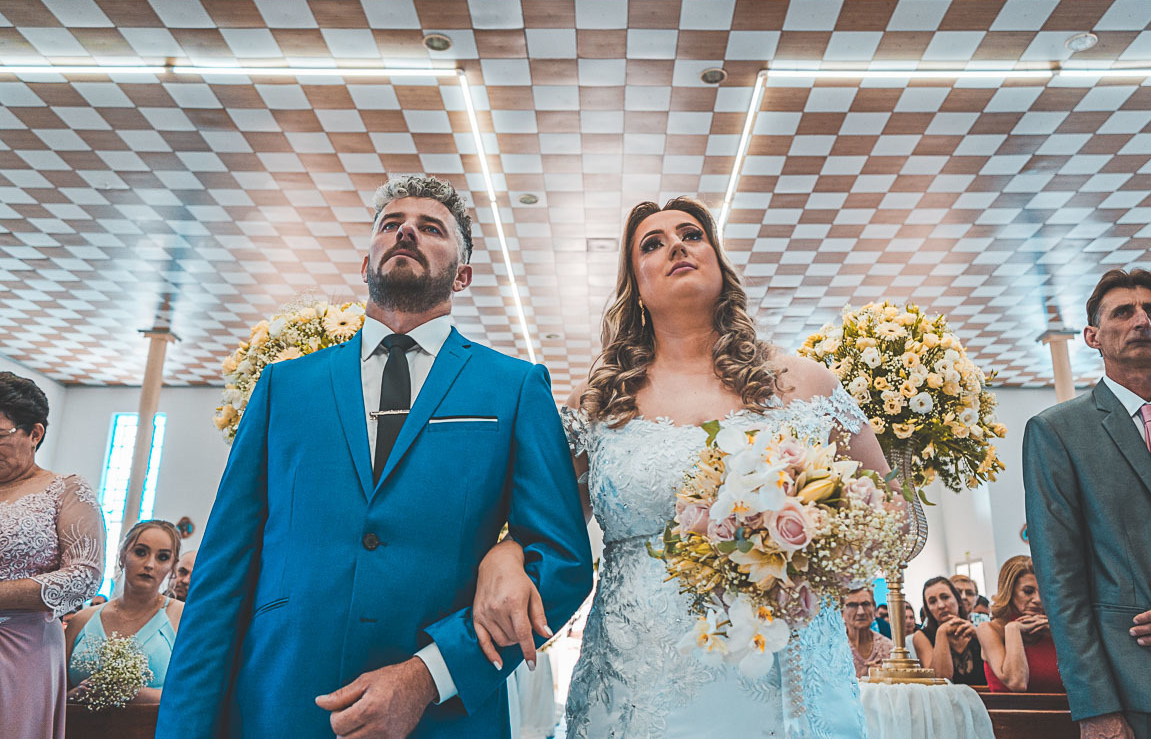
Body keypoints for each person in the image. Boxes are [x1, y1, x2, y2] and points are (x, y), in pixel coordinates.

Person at [156, 175, 593, 739]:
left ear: (462, 274)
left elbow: (560, 561)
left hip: (442, 718)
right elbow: (222, 572)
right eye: (391, 225)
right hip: (281, 702)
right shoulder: (284, 386)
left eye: (430, 228)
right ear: (366, 265)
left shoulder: (512, 388)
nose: (406, 230)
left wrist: (429, 675)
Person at [470, 197, 894, 737]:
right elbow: (546, 529)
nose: (676, 245)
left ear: (718, 261)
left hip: (787, 668)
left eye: (692, 234)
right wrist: (504, 552)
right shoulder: (597, 404)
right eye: (652, 243)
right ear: (636, 285)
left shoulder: (807, 384)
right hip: (640, 680)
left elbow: (894, 514)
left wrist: (815, 528)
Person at [1024, 268, 1151, 739]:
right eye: (1123, 312)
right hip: (1136, 689)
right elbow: (1060, 581)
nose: (1142, 320)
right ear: (1092, 337)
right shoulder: (1059, 432)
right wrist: (1095, 708)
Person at [0, 372, 104, 739]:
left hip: (20, 649)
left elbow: (85, 576)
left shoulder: (64, 490)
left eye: (0, 435)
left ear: (35, 434)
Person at [66, 520, 183, 701]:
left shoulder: (182, 616)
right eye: (140, 552)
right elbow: (53, 696)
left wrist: (131, 692)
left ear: (172, 566)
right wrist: (75, 696)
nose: (150, 564)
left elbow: (191, 696)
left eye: (162, 557)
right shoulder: (82, 620)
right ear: (123, 556)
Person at [978, 555, 1063, 693]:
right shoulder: (989, 629)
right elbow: (1017, 682)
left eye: (1043, 591)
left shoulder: (1056, 627)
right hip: (1011, 713)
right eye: (1028, 591)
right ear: (1009, 591)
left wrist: (1058, 631)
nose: (1038, 599)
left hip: (1062, 712)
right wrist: (1013, 628)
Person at [913, 576, 986, 686]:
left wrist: (979, 636)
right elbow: (940, 679)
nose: (941, 605)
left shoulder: (979, 629)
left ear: (958, 601)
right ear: (928, 609)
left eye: (945, 597)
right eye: (932, 601)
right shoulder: (921, 637)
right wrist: (941, 633)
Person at [845, 587, 894, 678]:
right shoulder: (833, 649)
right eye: (852, 605)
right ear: (841, 611)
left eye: (866, 604)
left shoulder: (888, 648)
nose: (861, 612)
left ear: (874, 608)